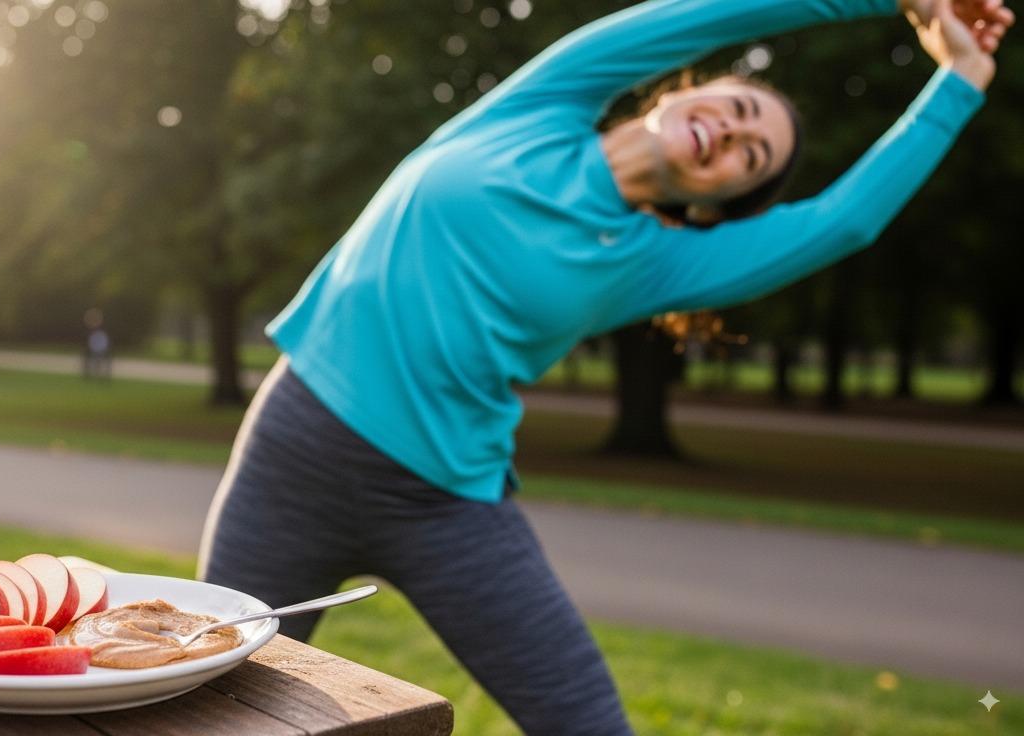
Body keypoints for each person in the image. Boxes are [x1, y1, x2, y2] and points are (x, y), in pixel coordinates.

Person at [198, 0, 1011, 733]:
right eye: (735, 106)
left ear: (715, 203)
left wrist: (960, 79)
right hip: (292, 453)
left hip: (444, 502)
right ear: (676, 91)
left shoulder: (653, 262)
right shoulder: (542, 107)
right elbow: (704, 17)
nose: (731, 133)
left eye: (751, 156)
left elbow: (846, 222)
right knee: (208, 701)